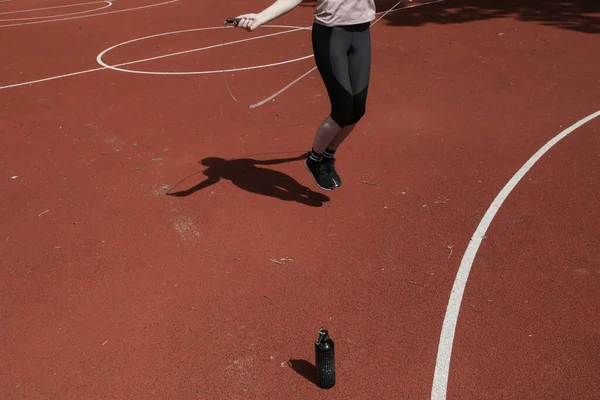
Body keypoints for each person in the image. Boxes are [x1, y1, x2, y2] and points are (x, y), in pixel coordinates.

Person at [233, 0, 376, 191]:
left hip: (361, 33)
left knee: (357, 110)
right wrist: (260, 17)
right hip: (331, 34)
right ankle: (315, 159)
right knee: (342, 110)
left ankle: (327, 156)